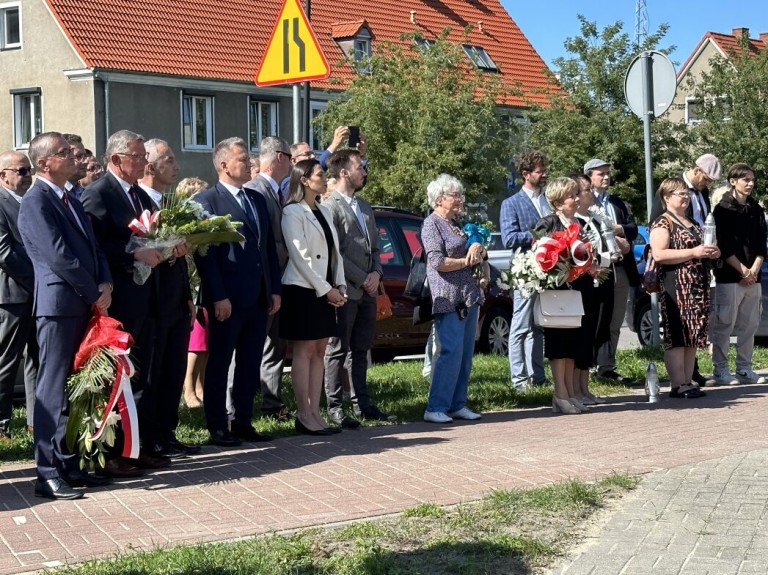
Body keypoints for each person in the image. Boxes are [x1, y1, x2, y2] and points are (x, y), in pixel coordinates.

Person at [18, 132, 113, 499]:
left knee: (78, 390)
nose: (74, 157)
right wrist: (94, 292)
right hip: (60, 307)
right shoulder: (36, 201)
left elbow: (93, 248)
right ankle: (46, 471)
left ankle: (70, 462)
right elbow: (57, 256)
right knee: (53, 389)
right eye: (64, 153)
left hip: (86, 301)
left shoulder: (70, 197)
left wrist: (104, 283)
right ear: (44, 163)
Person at [81, 129, 168, 476]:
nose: (145, 162)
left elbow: (148, 234)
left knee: (140, 374)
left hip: (146, 296)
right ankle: (110, 453)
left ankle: (135, 447)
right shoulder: (98, 193)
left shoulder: (138, 194)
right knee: (115, 379)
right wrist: (133, 255)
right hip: (118, 299)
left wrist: (166, 246)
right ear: (117, 159)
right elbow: (95, 246)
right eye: (138, 156)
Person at [194, 137, 280, 447]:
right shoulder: (207, 201)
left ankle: (243, 421)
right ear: (224, 165)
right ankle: (218, 425)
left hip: (257, 296)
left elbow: (267, 247)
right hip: (227, 299)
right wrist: (218, 295)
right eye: (242, 159)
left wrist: (274, 289)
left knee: (249, 362)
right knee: (219, 363)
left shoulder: (256, 199)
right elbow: (206, 255)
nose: (249, 163)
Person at [323, 149, 395, 426]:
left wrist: (376, 272)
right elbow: (335, 252)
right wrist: (362, 278)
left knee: (361, 348)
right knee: (338, 348)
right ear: (344, 172)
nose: (364, 171)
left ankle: (362, 402)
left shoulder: (364, 206)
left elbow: (375, 247)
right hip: (345, 290)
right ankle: (334, 406)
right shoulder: (330, 206)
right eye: (360, 166)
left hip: (368, 290)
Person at [138, 140, 199, 458]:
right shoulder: (139, 201)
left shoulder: (171, 201)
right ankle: (151, 437)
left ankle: (167, 430)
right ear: (149, 166)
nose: (176, 165)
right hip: (152, 300)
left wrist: (187, 295)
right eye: (169, 159)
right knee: (154, 370)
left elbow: (178, 255)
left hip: (175, 297)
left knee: (174, 369)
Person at [281, 159, 346, 435]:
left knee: (320, 350)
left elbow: (334, 252)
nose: (324, 178)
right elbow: (301, 256)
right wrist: (326, 288)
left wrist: (339, 284)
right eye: (320, 174)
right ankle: (304, 413)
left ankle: (316, 412)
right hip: (302, 289)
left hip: (325, 288)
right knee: (304, 351)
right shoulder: (292, 212)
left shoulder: (323, 210)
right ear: (304, 180)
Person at [649, 153, 722, 387]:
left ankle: (688, 382)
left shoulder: (692, 222)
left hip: (697, 284)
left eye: (686, 194)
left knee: (692, 337)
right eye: (681, 194)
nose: (686, 198)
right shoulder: (663, 221)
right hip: (675, 284)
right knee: (677, 337)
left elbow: (705, 246)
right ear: (666, 197)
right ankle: (678, 385)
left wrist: (713, 252)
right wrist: (694, 252)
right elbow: (659, 254)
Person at [421, 174, 485, 424]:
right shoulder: (432, 224)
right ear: (439, 199)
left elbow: (477, 246)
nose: (461, 199)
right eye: (455, 195)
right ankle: (436, 406)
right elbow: (436, 261)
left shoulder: (458, 223)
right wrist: (466, 262)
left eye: (461, 195)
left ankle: (458, 403)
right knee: (450, 351)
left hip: (469, 296)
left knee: (465, 353)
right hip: (448, 297)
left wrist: (479, 249)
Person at [533, 177, 595, 414]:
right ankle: (560, 393)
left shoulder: (578, 223)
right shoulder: (547, 223)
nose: (577, 199)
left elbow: (586, 252)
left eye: (576, 194)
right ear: (558, 202)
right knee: (559, 343)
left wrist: (591, 263)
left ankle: (570, 393)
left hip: (579, 288)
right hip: (557, 291)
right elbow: (538, 254)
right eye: (572, 196)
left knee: (574, 343)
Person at [244, 137, 292, 420]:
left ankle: (272, 403)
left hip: (281, 281)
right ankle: (240, 408)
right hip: (261, 283)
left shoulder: (277, 192)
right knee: (253, 346)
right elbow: (260, 242)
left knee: (276, 345)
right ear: (278, 157)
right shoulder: (255, 190)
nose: (291, 161)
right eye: (289, 155)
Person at [573, 173, 629, 405]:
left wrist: (619, 248)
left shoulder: (596, 218)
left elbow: (610, 245)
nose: (591, 193)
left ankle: (584, 388)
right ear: (575, 196)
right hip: (586, 283)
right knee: (582, 336)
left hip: (605, 280)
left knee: (597, 331)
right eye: (586, 190)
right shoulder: (575, 222)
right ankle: (575, 389)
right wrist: (605, 259)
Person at [710, 164, 767, 386]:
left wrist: (754, 268)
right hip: (729, 275)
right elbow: (723, 244)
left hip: (754, 276)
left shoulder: (755, 209)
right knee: (725, 323)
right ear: (733, 181)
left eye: (753, 179)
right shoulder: (722, 209)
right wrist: (742, 270)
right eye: (746, 180)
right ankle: (720, 369)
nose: (751, 183)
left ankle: (744, 367)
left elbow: (762, 242)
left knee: (750, 324)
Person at [585, 159, 640, 383]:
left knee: (615, 320)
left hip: (620, 267)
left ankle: (607, 366)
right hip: (596, 268)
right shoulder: (585, 202)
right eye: (601, 174)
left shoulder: (617, 202)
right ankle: (588, 365)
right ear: (589, 176)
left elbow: (632, 228)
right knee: (594, 318)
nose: (606, 178)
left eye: (608, 174)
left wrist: (619, 230)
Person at [499, 151, 549, 391]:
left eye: (544, 169)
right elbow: (508, 239)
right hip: (526, 271)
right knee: (521, 325)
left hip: (549, 270)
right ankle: (518, 379)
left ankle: (538, 377)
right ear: (526, 174)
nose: (544, 174)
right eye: (539, 171)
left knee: (539, 325)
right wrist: (536, 235)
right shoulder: (511, 203)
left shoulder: (548, 200)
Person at [0, 151, 38, 443]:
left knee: (37, 359)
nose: (29, 176)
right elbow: (5, 254)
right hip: (12, 296)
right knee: (6, 361)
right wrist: (40, 278)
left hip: (38, 295)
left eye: (30, 170)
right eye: (22, 171)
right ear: (3, 175)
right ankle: (2, 426)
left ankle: (36, 422)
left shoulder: (30, 201)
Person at [175, 177, 210, 408]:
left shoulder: (203, 221)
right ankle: (188, 389)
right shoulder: (181, 221)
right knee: (195, 342)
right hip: (190, 285)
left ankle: (200, 386)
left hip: (204, 284)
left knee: (206, 342)